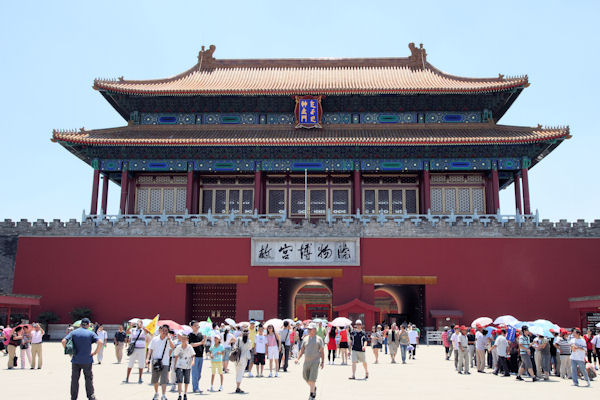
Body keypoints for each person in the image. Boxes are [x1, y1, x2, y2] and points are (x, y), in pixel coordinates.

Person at [62, 318, 102, 400]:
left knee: (74, 379)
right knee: (88, 378)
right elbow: (100, 342)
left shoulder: (73, 332)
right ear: (88, 325)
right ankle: (90, 396)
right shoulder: (91, 333)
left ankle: (73, 397)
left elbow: (63, 341)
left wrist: (69, 352)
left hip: (75, 360)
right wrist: (95, 352)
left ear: (80, 324)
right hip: (87, 360)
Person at [295, 322, 325, 399]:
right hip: (306, 362)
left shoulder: (319, 339)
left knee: (312, 378)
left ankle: (311, 395)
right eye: (308, 329)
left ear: (314, 330)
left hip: (315, 362)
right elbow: (302, 350)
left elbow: (322, 351)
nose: (308, 330)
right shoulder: (305, 339)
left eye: (310, 329)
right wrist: (297, 358)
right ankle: (313, 387)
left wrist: (322, 362)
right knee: (305, 377)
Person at [147, 325, 176, 400]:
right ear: (160, 330)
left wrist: (169, 339)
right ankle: (156, 393)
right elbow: (150, 349)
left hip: (165, 362)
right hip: (155, 361)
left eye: (166, 330)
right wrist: (148, 358)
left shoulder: (168, 340)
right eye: (163, 330)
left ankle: (163, 395)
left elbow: (173, 347)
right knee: (155, 379)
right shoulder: (155, 339)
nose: (164, 332)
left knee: (164, 380)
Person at [125, 319, 148, 384]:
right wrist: (130, 326)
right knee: (131, 362)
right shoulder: (133, 330)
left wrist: (143, 327)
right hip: (134, 348)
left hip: (142, 349)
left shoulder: (143, 330)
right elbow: (127, 332)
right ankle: (127, 377)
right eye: (137, 323)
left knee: (141, 363)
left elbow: (147, 332)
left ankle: (140, 378)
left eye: (140, 323)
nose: (138, 324)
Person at [173, 334, 195, 400]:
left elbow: (193, 355)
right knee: (179, 380)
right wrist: (175, 365)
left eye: (184, 339)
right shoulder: (178, 347)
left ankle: (185, 393)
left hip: (187, 365)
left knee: (186, 380)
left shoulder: (190, 347)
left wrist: (193, 361)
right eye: (182, 339)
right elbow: (176, 356)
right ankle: (179, 394)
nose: (183, 340)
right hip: (179, 365)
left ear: (187, 340)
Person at [187, 320, 205, 393]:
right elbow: (191, 345)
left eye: (198, 326)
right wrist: (200, 343)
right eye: (196, 326)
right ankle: (195, 388)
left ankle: (196, 386)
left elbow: (203, 344)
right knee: (195, 373)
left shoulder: (200, 335)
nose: (197, 327)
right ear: (192, 326)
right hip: (193, 356)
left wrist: (204, 341)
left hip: (201, 356)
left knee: (199, 374)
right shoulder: (190, 335)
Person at [233, 328, 253, 393]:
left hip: (237, 358)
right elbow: (250, 348)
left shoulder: (238, 339)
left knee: (237, 373)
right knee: (241, 373)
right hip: (244, 358)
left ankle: (237, 386)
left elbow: (234, 346)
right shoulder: (249, 341)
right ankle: (238, 387)